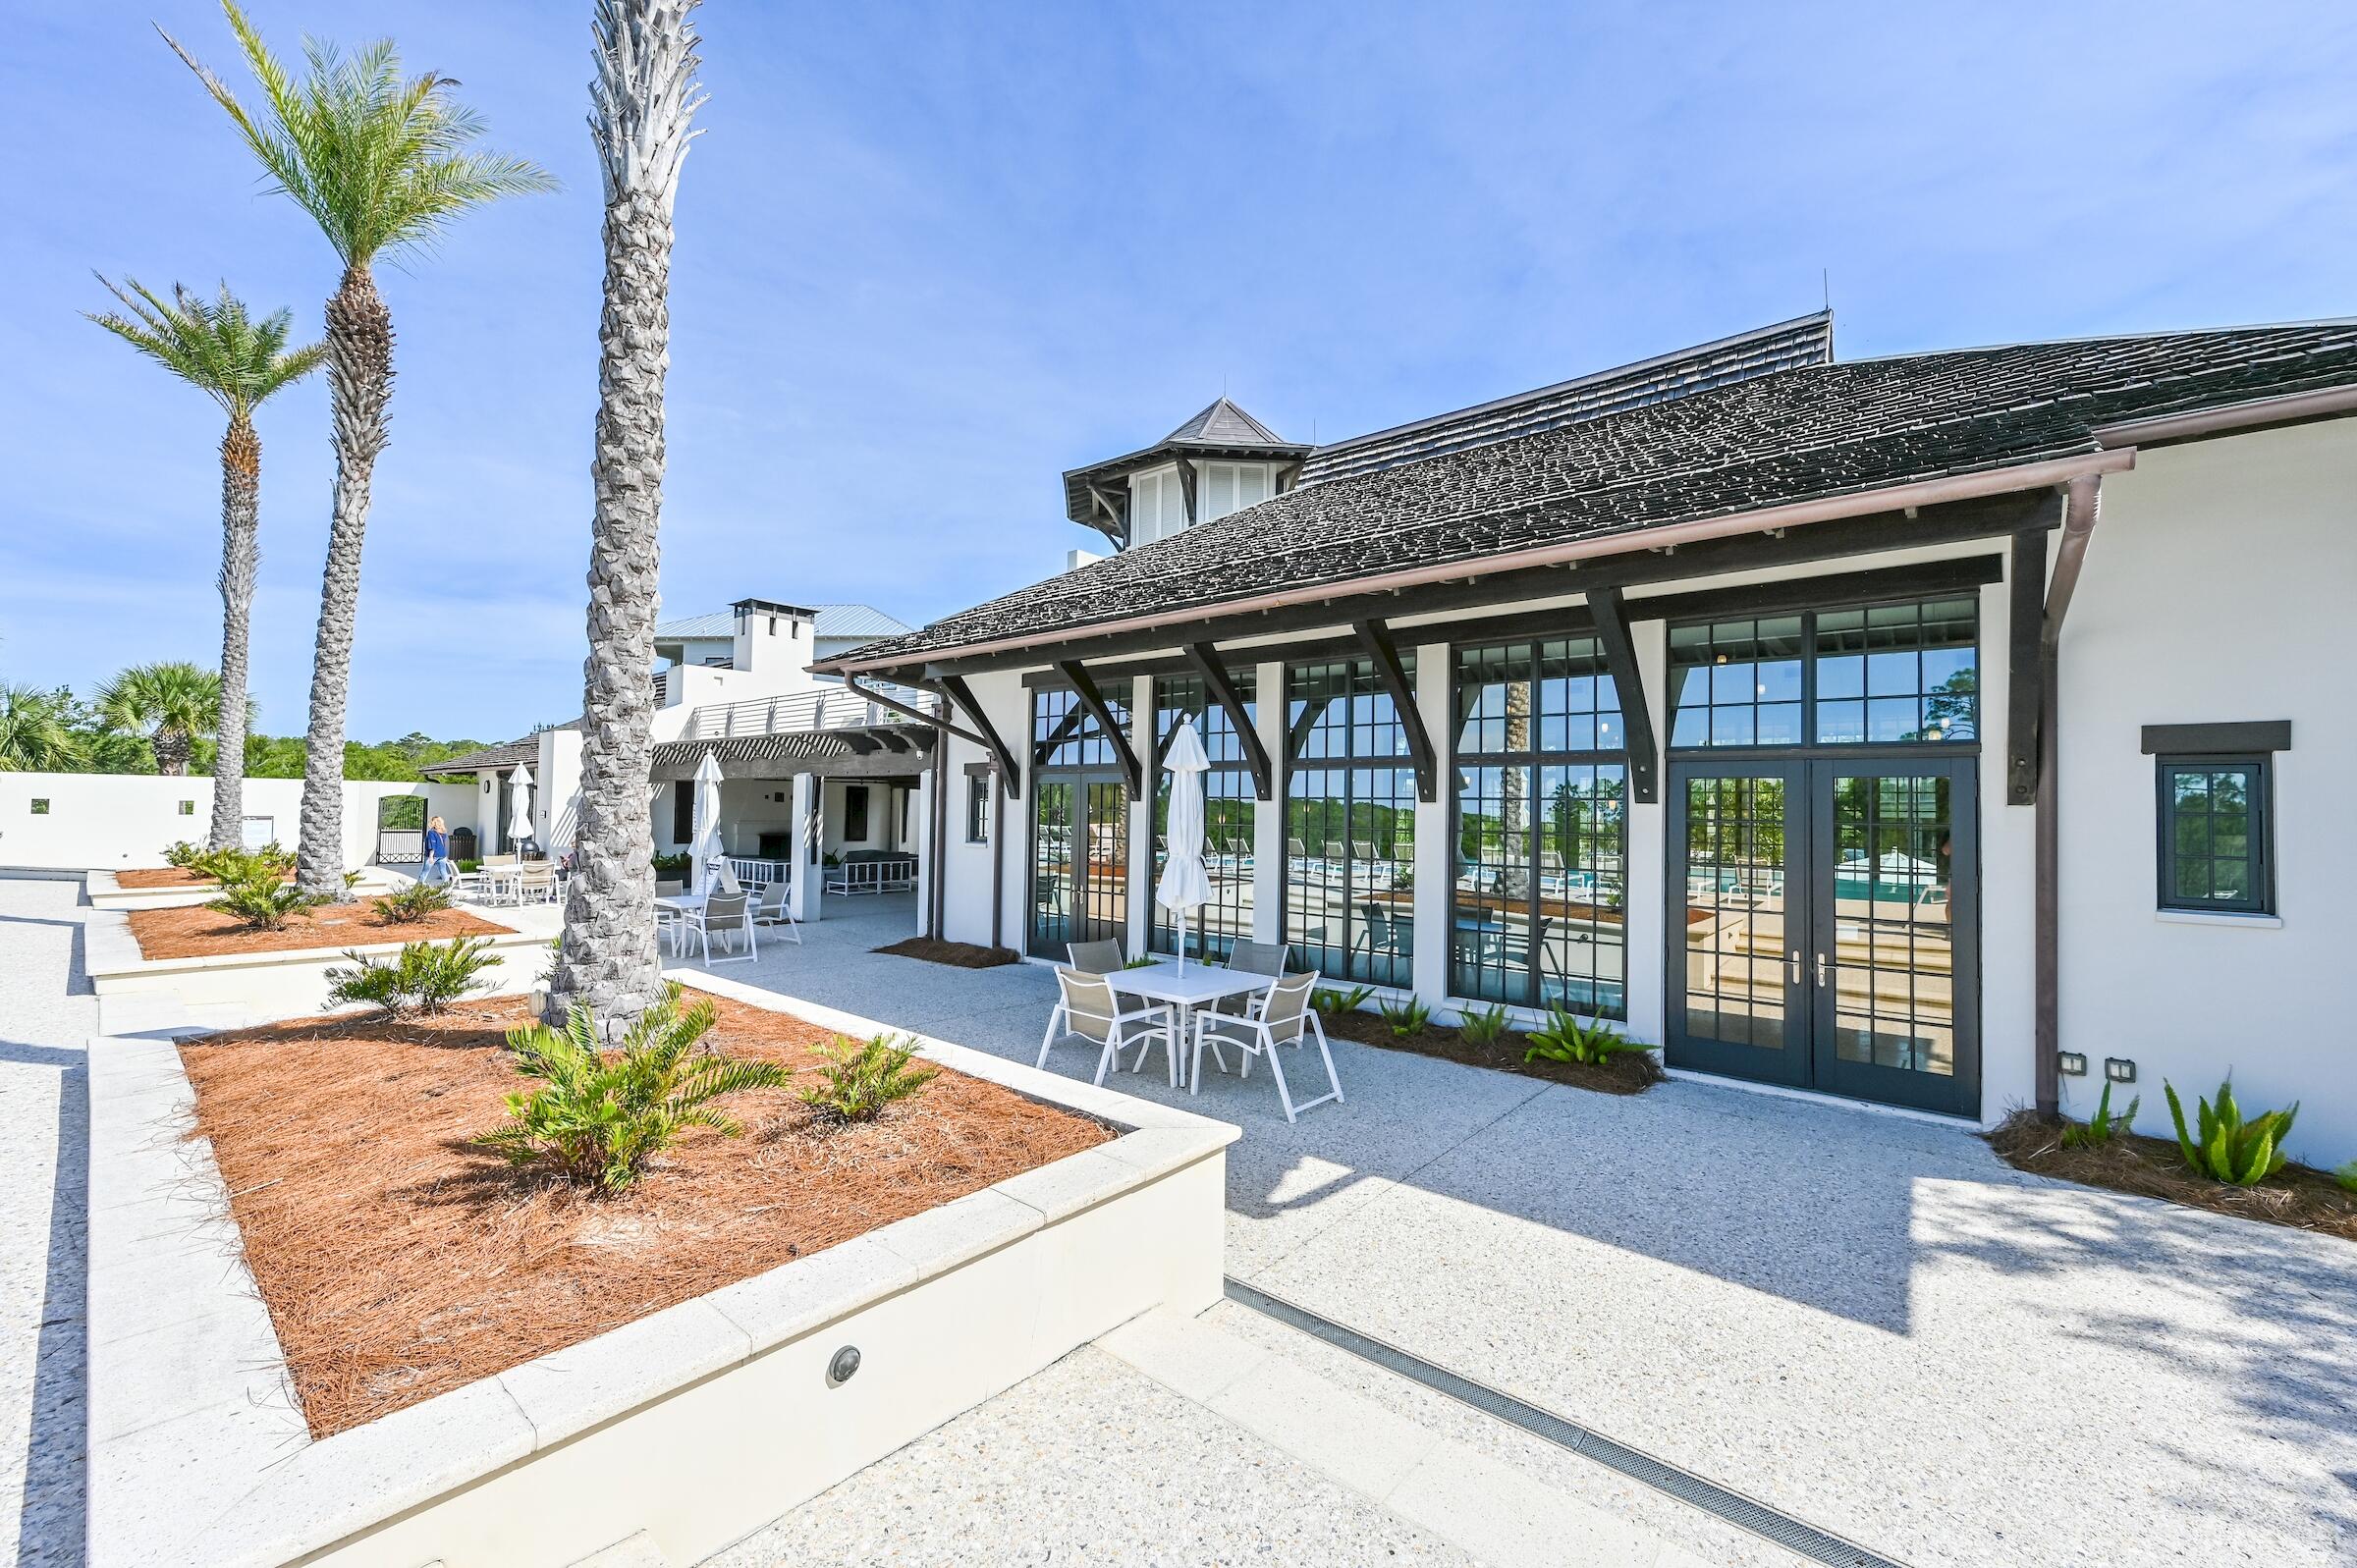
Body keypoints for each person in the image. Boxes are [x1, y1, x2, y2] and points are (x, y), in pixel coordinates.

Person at [422, 816, 453, 884]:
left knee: (425, 872)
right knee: (443, 871)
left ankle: (419, 885)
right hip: (442, 855)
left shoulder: (431, 832)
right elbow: (442, 845)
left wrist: (431, 856)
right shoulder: (443, 833)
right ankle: (447, 885)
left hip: (433, 855)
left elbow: (433, 844)